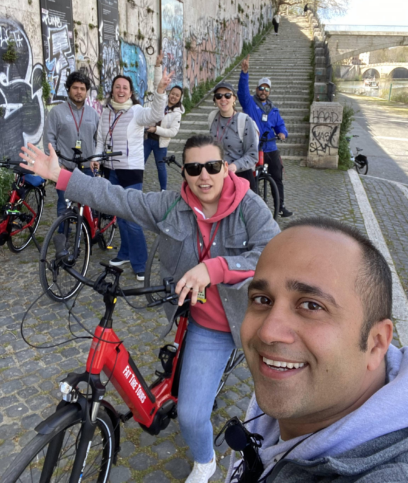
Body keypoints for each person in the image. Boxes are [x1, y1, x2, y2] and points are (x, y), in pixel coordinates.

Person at [21, 134, 280, 483]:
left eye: (212, 167)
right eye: (194, 168)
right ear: (184, 173)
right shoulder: (173, 204)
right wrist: (61, 176)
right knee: (190, 415)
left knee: (278, 394)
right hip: (208, 324)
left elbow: (273, 253)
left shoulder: (250, 207)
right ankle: (206, 462)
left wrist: (214, 269)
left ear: (226, 168)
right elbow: (121, 199)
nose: (204, 176)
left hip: (250, 316)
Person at [226, 217, 408, 482]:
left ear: (376, 342)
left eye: (311, 306)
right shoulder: (307, 395)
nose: (268, 332)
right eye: (262, 300)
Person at [90, 71, 171, 281]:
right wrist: (97, 158)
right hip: (110, 170)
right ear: (112, 90)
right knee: (120, 216)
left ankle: (140, 262)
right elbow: (100, 138)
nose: (121, 91)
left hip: (131, 170)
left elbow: (154, 115)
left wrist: (160, 90)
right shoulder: (105, 111)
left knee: (133, 218)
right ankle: (125, 253)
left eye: (125, 88)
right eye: (117, 87)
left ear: (130, 92)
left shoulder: (136, 112)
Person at [238, 55, 293, 217]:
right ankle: (250, 208)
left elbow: (280, 125)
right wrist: (244, 73)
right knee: (250, 178)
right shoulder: (249, 103)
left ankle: (280, 206)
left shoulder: (274, 110)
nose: (263, 91)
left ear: (269, 91)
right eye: (261, 88)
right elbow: (241, 92)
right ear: (257, 90)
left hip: (270, 147)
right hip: (253, 147)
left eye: (266, 89)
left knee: (277, 177)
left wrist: (283, 133)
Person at [43, 71, 99, 218]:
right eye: (75, 88)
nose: (79, 92)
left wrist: (96, 159)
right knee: (64, 203)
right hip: (65, 167)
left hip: (87, 168)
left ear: (87, 91)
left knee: (88, 204)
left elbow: (99, 139)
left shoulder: (93, 114)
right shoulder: (56, 112)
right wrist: (57, 163)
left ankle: (88, 236)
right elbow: (49, 139)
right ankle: (63, 236)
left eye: (82, 89)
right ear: (68, 89)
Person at [208, 81, 258, 191]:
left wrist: (234, 166)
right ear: (215, 100)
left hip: (241, 177)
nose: (223, 99)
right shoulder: (212, 118)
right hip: (218, 177)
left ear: (234, 98)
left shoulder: (245, 121)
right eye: (218, 96)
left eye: (227, 95)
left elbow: (252, 155)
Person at [144, 51, 183, 190]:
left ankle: (163, 190)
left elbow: (173, 132)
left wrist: (156, 129)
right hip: (148, 138)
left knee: (161, 167)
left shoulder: (177, 114)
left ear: (179, 98)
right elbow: (157, 84)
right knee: (139, 163)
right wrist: (158, 64)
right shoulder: (162, 100)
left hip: (160, 143)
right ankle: (135, 186)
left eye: (177, 96)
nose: (173, 97)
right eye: (172, 93)